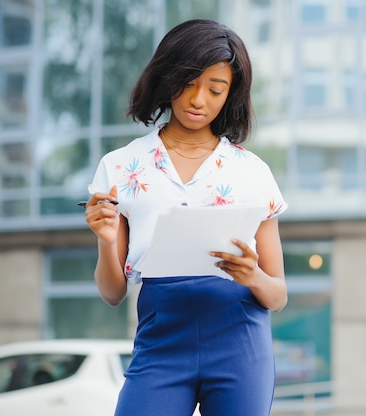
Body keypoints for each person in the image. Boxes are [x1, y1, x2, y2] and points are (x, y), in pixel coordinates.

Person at [83, 19, 288, 416]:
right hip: (161, 337)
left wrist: (253, 275)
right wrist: (107, 242)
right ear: (167, 78)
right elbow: (112, 294)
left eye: (215, 90)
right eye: (188, 83)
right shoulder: (121, 166)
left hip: (240, 340)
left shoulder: (253, 172)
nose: (198, 100)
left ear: (231, 95)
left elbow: (277, 296)